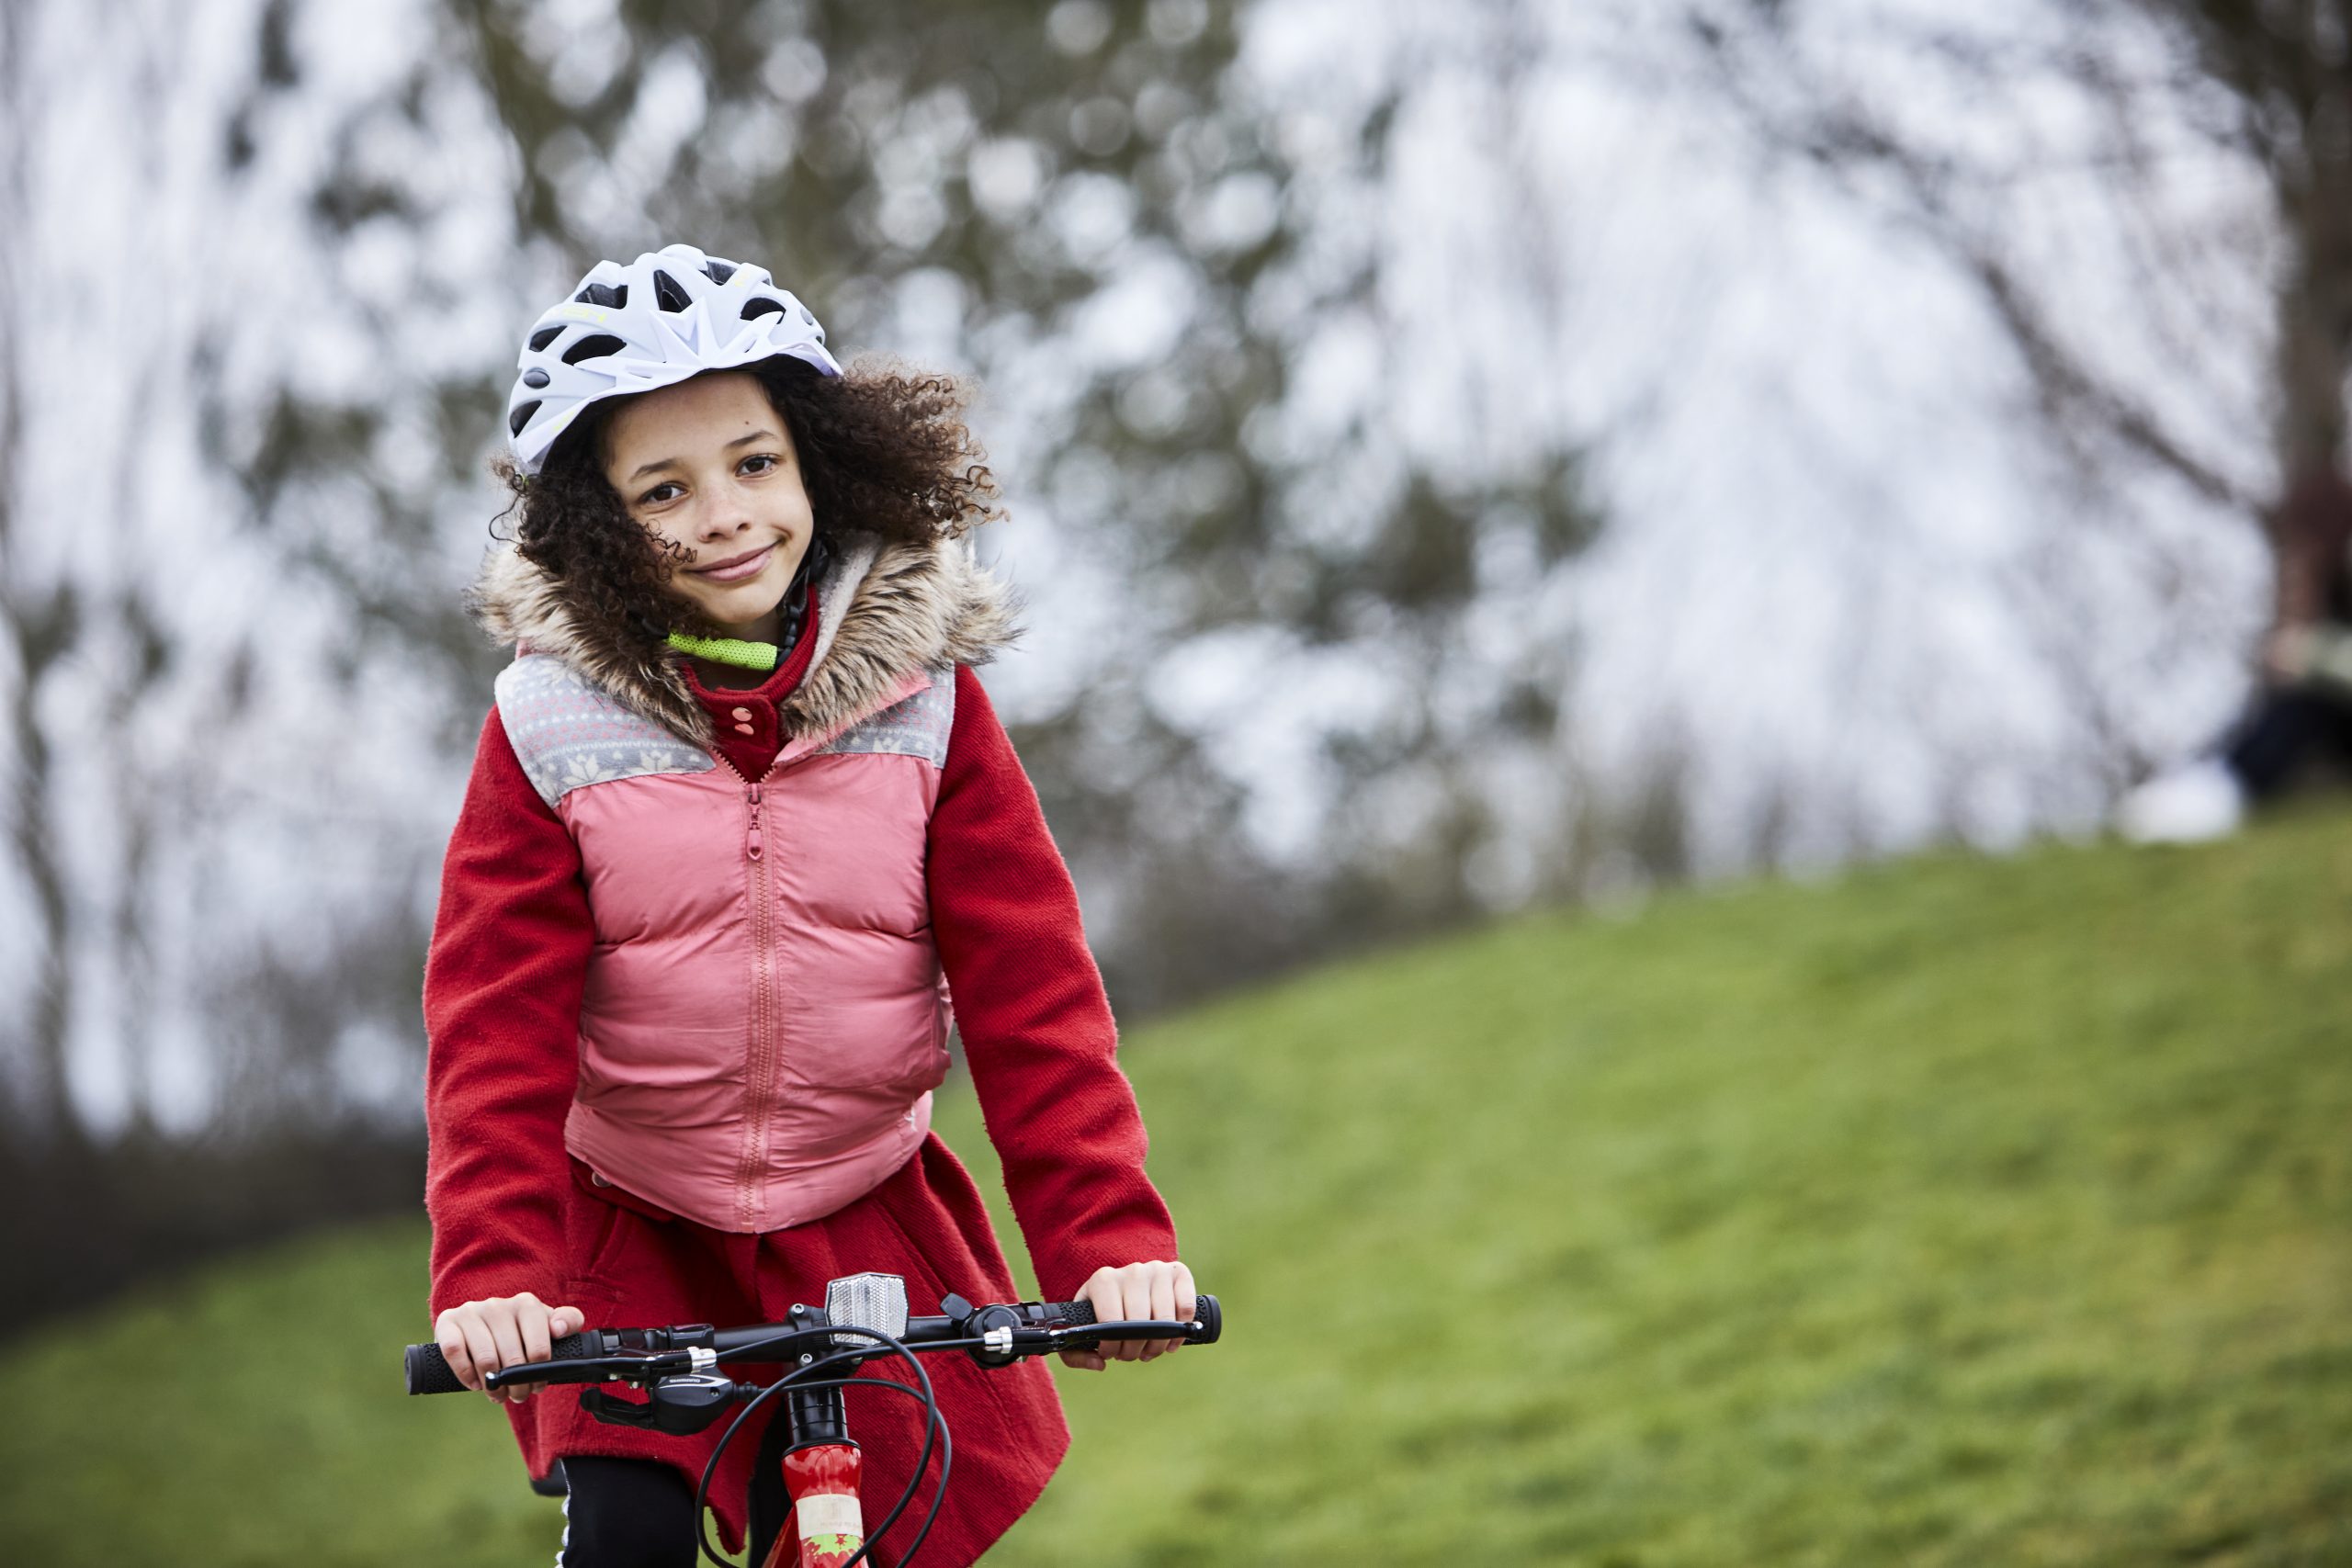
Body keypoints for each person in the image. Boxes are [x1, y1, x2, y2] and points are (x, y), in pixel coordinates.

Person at [423, 244, 1193, 1568]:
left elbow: (1033, 993)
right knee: (629, 1529)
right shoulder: (549, 723)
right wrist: (496, 1264)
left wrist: (1107, 1237)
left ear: (822, 461)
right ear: (602, 527)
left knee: (871, 1525)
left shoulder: (930, 703)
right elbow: (495, 1023)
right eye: (664, 489)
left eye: (754, 461)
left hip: (857, 1198)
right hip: (630, 1214)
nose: (724, 513)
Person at [2120, 469, 2352, 843]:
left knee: (2306, 706)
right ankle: (2211, 778)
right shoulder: (2327, 597)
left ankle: (2226, 790)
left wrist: (2311, 654)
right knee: (2290, 701)